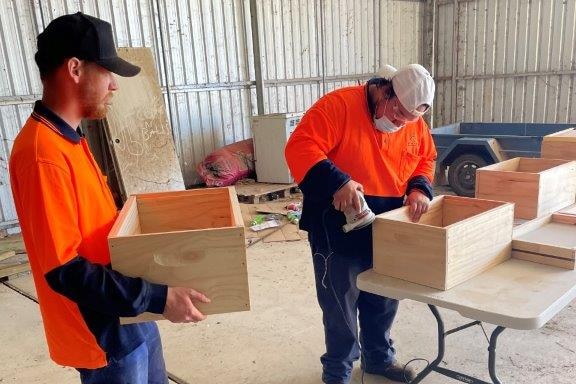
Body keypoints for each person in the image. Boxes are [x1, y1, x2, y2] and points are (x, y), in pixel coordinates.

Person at [9, 12, 210, 384]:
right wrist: (157, 297)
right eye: (107, 72)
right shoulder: (42, 154)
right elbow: (65, 270)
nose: (114, 85)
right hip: (103, 334)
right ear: (75, 69)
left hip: (128, 312)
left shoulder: (68, 138)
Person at [284, 63, 437, 384]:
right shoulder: (338, 106)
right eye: (396, 115)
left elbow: (426, 157)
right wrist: (338, 182)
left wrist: (419, 187)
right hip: (337, 225)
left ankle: (378, 360)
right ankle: (337, 372)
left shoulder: (412, 122)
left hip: (388, 224)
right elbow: (300, 146)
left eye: (409, 120)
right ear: (384, 90)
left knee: (383, 299)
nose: (399, 124)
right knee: (340, 304)